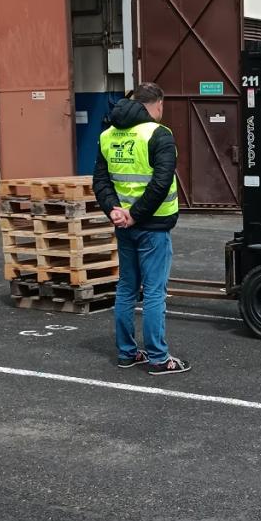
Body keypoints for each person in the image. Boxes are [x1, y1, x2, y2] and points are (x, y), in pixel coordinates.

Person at [93, 82, 190, 375]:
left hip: (124, 225)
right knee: (154, 292)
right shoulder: (159, 135)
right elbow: (161, 183)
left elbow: (100, 181)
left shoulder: (107, 135)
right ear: (157, 104)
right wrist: (135, 215)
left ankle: (126, 353)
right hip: (153, 226)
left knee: (126, 289)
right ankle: (159, 359)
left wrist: (116, 212)